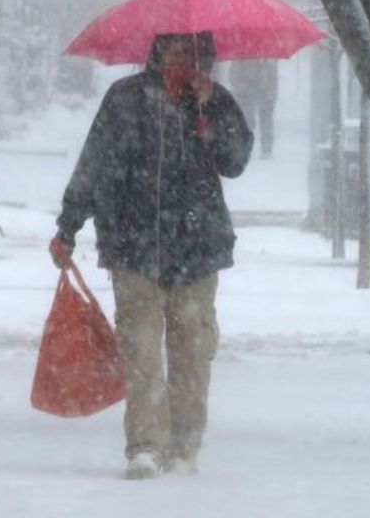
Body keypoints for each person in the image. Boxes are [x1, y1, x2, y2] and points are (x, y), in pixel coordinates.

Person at [49, 32, 254, 479]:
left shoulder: (214, 102)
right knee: (140, 352)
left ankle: (184, 448)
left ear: (205, 61)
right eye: (172, 52)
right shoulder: (125, 99)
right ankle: (144, 445)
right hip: (132, 246)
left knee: (191, 354)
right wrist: (68, 225)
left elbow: (235, 161)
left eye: (190, 55)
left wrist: (211, 106)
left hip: (198, 251)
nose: (178, 62)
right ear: (156, 54)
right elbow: (94, 162)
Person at [228, 59, 278, 158]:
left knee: (261, 120)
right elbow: (233, 75)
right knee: (253, 120)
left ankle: (262, 148)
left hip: (260, 92)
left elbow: (233, 75)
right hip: (251, 92)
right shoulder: (268, 58)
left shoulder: (242, 57)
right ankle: (259, 147)